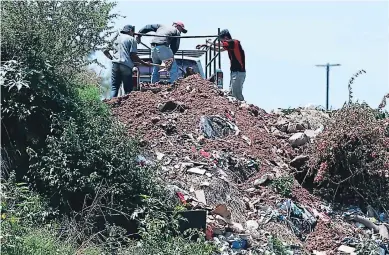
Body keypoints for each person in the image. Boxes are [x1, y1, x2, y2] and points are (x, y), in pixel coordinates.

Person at [197, 29, 246, 101]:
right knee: (232, 93)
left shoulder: (234, 42)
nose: (221, 41)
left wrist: (209, 42)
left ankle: (243, 108)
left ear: (226, 37)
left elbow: (220, 45)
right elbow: (219, 49)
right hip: (234, 73)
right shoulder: (230, 46)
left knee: (237, 94)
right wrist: (207, 46)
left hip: (239, 72)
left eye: (221, 40)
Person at [104, 25, 150, 98]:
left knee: (114, 87)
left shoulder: (116, 38)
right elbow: (133, 55)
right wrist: (144, 63)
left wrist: (112, 58)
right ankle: (126, 106)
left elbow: (105, 51)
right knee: (128, 89)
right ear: (130, 31)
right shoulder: (131, 39)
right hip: (126, 65)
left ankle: (110, 106)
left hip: (115, 64)